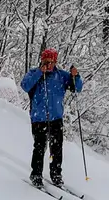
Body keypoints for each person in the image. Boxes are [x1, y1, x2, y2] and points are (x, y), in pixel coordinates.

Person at [20, 48, 82, 188]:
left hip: (56, 118)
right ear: (42, 60)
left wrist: (75, 76)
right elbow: (25, 85)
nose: (49, 64)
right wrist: (39, 73)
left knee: (57, 148)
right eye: (46, 61)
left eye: (52, 62)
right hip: (39, 118)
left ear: (55, 62)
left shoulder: (60, 76)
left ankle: (56, 175)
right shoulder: (34, 73)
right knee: (40, 147)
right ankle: (36, 175)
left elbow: (77, 88)